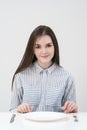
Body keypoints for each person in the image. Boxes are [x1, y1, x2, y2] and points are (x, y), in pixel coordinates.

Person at [10, 25, 78, 113]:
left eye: (48, 45)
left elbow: (71, 115)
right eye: (38, 47)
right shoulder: (20, 77)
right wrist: (18, 110)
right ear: (32, 49)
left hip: (57, 126)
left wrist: (72, 109)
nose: (44, 51)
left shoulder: (67, 77)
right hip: (27, 127)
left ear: (55, 47)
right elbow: (12, 111)